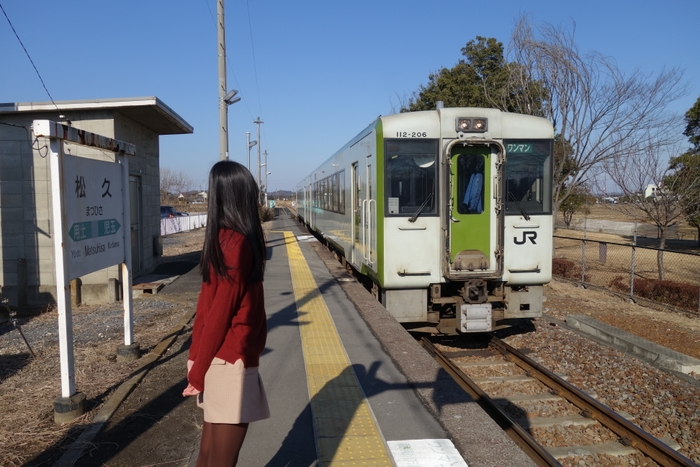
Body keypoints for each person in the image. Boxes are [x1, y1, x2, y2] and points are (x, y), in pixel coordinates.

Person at [183, 160, 269, 466]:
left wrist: (196, 358)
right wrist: (197, 368)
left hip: (218, 360)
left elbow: (205, 309)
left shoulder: (220, 240)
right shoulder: (239, 244)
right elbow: (218, 314)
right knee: (221, 460)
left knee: (207, 456)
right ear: (241, 195)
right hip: (231, 361)